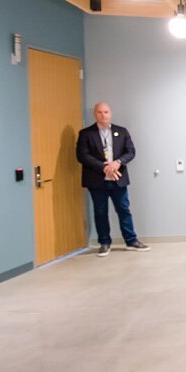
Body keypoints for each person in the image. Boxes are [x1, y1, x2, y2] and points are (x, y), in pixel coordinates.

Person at [75, 102, 150, 256]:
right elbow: (82, 156)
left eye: (106, 112)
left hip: (118, 178)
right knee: (100, 211)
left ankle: (131, 241)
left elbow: (131, 151)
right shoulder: (86, 133)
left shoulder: (121, 132)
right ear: (95, 114)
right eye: (100, 112)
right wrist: (104, 167)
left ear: (111, 113)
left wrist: (117, 163)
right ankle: (104, 242)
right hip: (97, 179)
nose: (103, 115)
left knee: (124, 209)